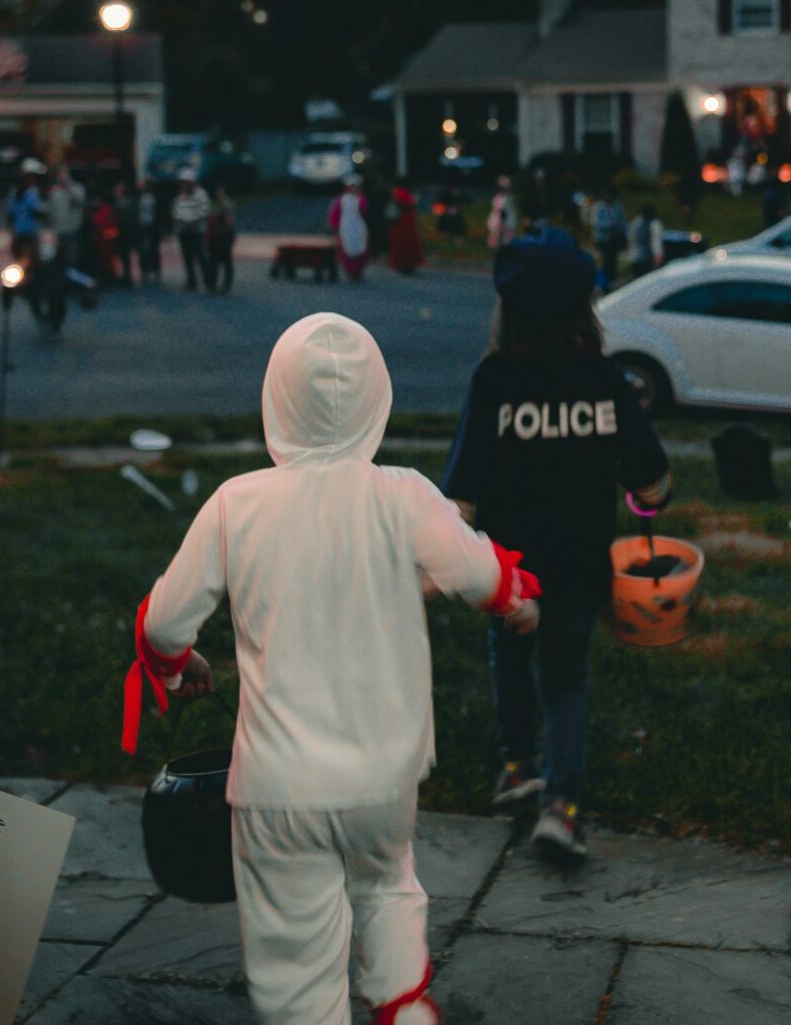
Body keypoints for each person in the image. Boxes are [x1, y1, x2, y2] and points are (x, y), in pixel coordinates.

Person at [124, 313, 539, 1025]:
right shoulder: (404, 495)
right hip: (382, 778)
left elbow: (162, 624)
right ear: (377, 401)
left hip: (279, 788)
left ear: (275, 402)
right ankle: (403, 1008)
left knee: (296, 955)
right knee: (388, 891)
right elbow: (481, 572)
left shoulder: (237, 505)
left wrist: (175, 663)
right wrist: (518, 600)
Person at [443, 232, 673, 862]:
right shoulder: (604, 380)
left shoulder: (494, 379)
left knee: (510, 658)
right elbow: (651, 482)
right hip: (578, 565)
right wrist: (645, 500)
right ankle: (562, 807)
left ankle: (519, 766)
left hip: (508, 568)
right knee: (566, 680)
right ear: (583, 311)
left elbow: (460, 491)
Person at [171, 170, 213, 292]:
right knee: (187, 257)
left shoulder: (201, 194)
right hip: (183, 230)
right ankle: (191, 281)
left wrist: (193, 220)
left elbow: (205, 210)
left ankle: (208, 280)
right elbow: (175, 210)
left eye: (185, 182)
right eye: (181, 182)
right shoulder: (180, 195)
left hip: (196, 230)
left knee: (201, 255)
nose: (183, 184)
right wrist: (180, 220)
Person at [329, 176, 371, 282]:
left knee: (360, 247)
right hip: (346, 226)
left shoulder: (361, 198)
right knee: (346, 247)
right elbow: (336, 212)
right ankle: (349, 271)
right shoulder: (342, 199)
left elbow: (364, 210)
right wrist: (334, 224)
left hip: (358, 226)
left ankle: (358, 270)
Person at [7, 159, 46, 264]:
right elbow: (36, 211)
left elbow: (10, 214)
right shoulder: (32, 192)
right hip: (29, 233)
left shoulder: (15, 192)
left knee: (19, 259)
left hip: (19, 232)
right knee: (32, 259)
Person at [205, 184, 239, 294]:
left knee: (223, 259)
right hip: (218, 235)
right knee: (218, 260)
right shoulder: (218, 204)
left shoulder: (226, 205)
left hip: (223, 235)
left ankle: (223, 283)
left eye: (221, 192)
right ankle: (214, 283)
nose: (219, 194)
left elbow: (230, 221)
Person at [587, 193, 626, 289]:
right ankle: (603, 283)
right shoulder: (598, 206)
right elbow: (596, 222)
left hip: (614, 238)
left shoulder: (617, 206)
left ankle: (611, 281)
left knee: (612, 261)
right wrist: (610, 226)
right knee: (604, 261)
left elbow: (622, 221)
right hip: (603, 238)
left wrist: (622, 234)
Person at [387, 183, 424, 276]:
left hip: (399, 222)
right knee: (409, 242)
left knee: (401, 243)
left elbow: (398, 204)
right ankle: (409, 264)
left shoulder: (398, 193)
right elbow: (411, 206)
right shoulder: (408, 195)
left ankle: (402, 264)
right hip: (408, 221)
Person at [94, 187, 128, 288]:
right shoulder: (111, 208)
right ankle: (112, 275)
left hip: (106, 237)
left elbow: (97, 221)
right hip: (110, 236)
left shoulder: (106, 209)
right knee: (111, 258)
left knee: (108, 258)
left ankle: (110, 276)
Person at [135, 176, 166, 284]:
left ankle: (156, 269)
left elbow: (160, 212)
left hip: (152, 225)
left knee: (153, 247)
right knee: (142, 249)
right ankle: (144, 270)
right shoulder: (138, 197)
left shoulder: (155, 197)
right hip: (141, 225)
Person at [626, 201, 665, 281]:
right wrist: (658, 259)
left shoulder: (635, 222)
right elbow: (656, 243)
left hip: (634, 257)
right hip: (647, 260)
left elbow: (630, 238)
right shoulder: (654, 223)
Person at [485, 175, 517, 249]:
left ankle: (506, 243)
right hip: (499, 217)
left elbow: (508, 209)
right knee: (496, 232)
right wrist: (501, 220)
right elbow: (500, 209)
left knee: (508, 232)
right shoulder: (498, 197)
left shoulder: (509, 197)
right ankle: (495, 244)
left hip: (508, 217)